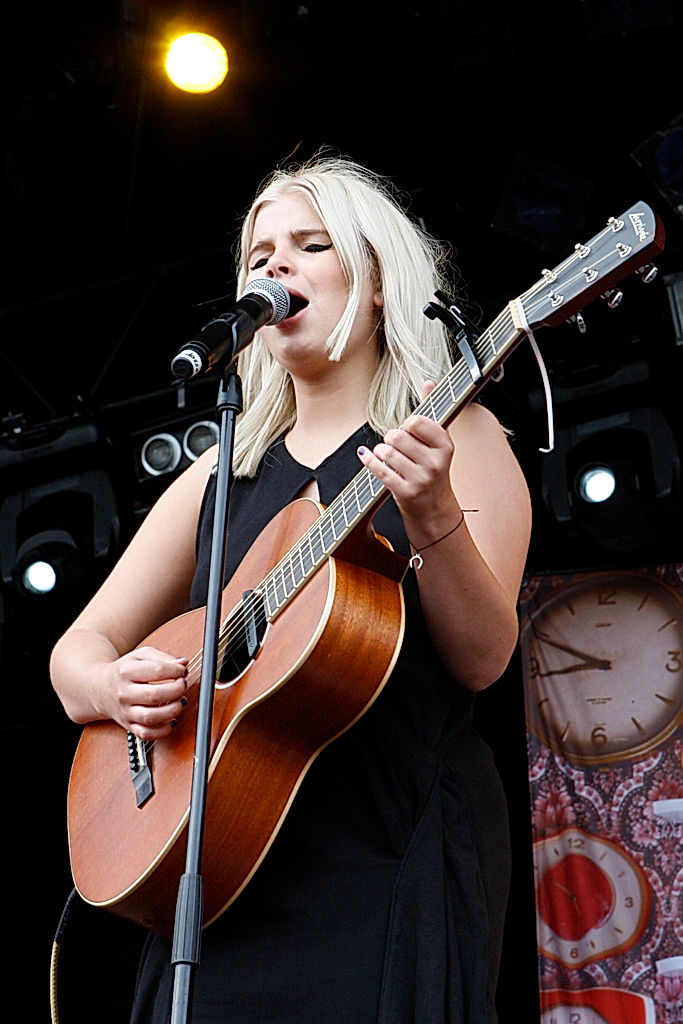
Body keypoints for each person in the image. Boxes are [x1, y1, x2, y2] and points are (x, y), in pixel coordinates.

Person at [50, 155, 532, 1023]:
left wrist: (431, 514)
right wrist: (114, 687)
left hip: (387, 861)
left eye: (311, 245)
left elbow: (483, 659)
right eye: (259, 253)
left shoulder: (458, 435)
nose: (276, 264)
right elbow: (73, 655)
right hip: (215, 870)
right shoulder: (216, 476)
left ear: (377, 285)